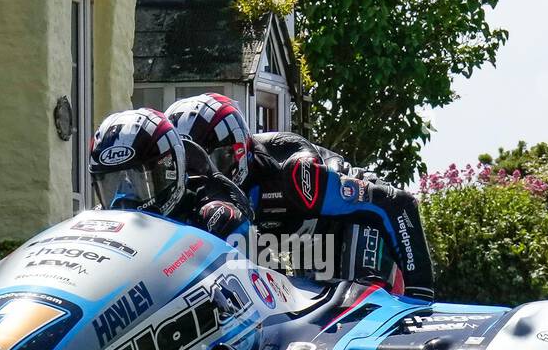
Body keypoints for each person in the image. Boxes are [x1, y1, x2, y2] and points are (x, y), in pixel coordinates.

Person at [163, 93, 435, 300]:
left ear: (238, 151)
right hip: (306, 241)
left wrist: (420, 297)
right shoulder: (191, 194)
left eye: (214, 161)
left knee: (353, 306)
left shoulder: (293, 172)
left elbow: (398, 204)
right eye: (188, 167)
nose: (201, 177)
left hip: (358, 222)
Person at [88, 107, 251, 239]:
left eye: (138, 178)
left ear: (171, 169)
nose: (124, 199)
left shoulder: (214, 218)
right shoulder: (94, 222)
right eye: (110, 183)